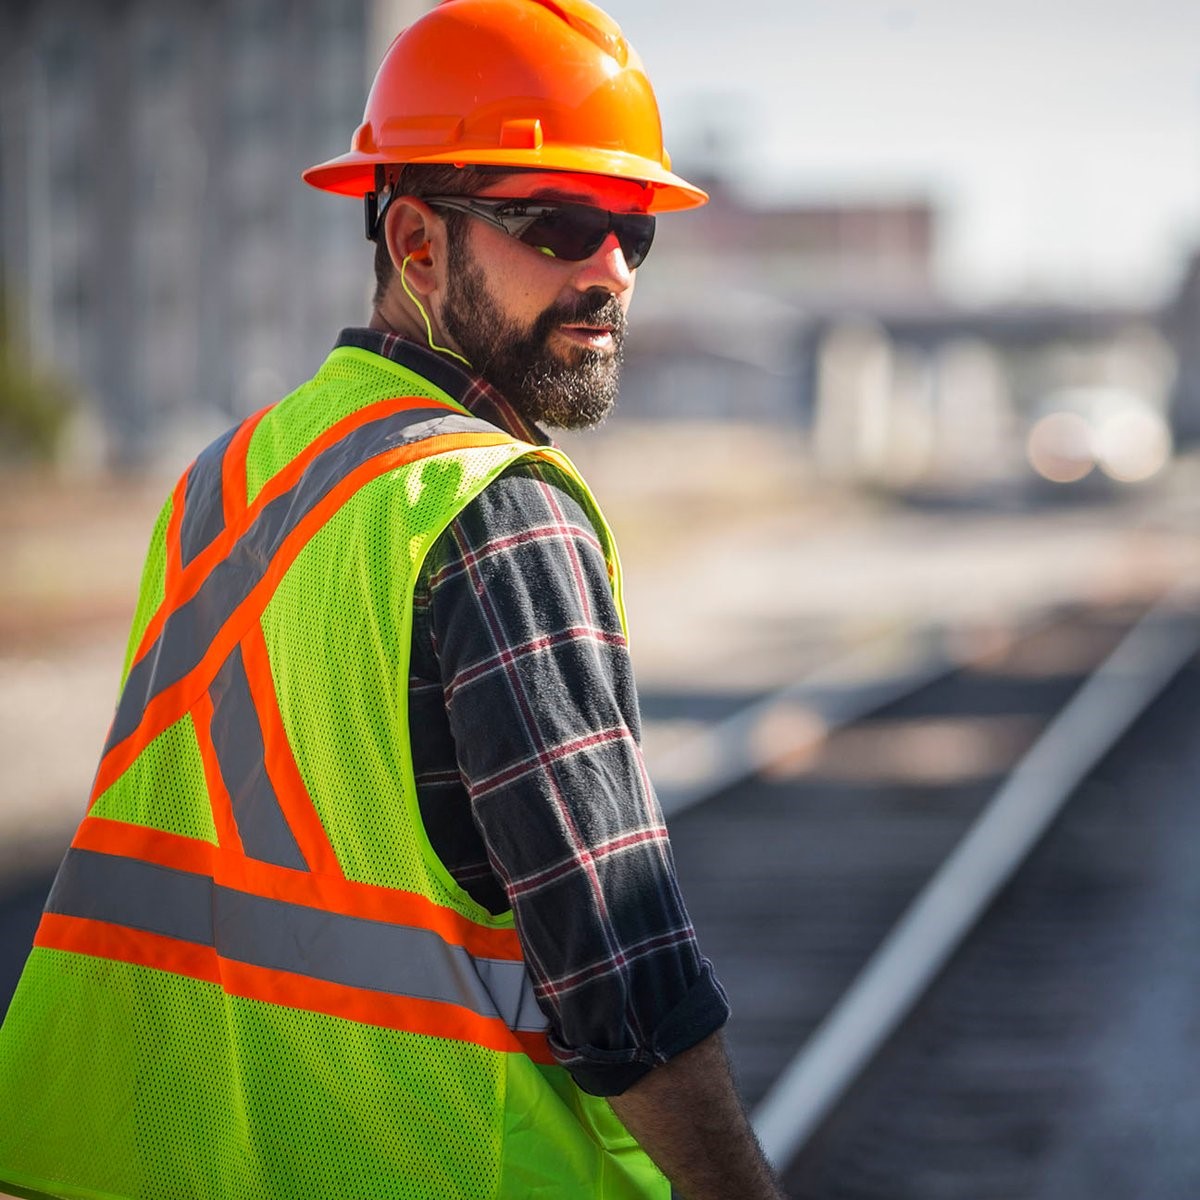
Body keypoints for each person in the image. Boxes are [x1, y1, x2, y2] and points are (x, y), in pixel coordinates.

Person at [0, 1, 785, 1197]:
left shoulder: (227, 476)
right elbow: (621, 962)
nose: (611, 272)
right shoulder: (490, 509)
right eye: (562, 224)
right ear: (415, 243)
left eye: (634, 232)